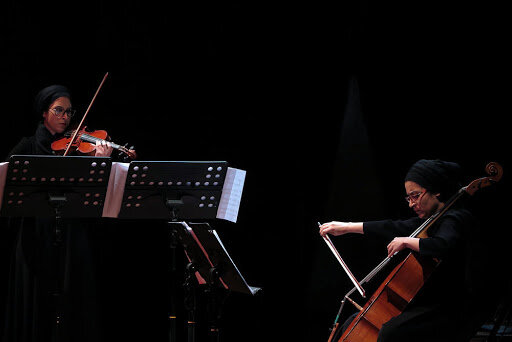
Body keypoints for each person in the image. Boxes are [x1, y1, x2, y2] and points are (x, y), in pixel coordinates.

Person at [319, 159, 479, 342]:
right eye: (408, 198)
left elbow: (443, 245)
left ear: (436, 190)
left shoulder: (456, 218)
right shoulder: (430, 221)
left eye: (415, 196)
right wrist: (346, 227)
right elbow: (391, 227)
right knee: (352, 321)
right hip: (425, 304)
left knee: (390, 333)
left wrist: (408, 242)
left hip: (450, 308)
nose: (411, 204)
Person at [2, 84, 113, 342]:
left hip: (73, 236)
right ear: (44, 113)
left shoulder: (77, 148)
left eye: (69, 112)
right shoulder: (26, 147)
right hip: (35, 236)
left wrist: (100, 161)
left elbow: (93, 197)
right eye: (58, 111)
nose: (65, 117)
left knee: (74, 300)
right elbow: (7, 190)